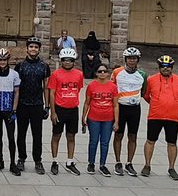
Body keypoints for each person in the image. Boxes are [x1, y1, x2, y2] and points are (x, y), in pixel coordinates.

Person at [142, 55, 178, 179]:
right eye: (163, 66)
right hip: (155, 116)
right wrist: (156, 104)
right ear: (159, 67)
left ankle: (171, 168)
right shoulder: (151, 80)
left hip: (173, 117)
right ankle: (147, 165)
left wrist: (173, 103)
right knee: (150, 140)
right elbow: (146, 95)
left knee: (172, 143)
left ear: (172, 67)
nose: (165, 69)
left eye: (168, 67)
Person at [15, 37, 50, 174]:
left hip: (37, 104)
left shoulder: (44, 66)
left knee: (37, 135)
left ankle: (38, 160)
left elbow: (46, 87)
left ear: (39, 49)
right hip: (22, 104)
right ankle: (21, 159)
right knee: (21, 134)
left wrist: (47, 106)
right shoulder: (20, 66)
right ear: (27, 49)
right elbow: (15, 87)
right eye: (31, 47)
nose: (33, 49)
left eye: (36, 47)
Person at [47, 47, 84, 175]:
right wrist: (53, 112)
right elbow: (52, 93)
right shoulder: (56, 74)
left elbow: (78, 89)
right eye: (65, 60)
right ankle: (55, 161)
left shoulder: (79, 74)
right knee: (56, 135)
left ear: (74, 61)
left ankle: (69, 161)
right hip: (59, 109)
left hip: (73, 109)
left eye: (70, 60)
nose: (67, 62)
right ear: (61, 61)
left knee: (71, 136)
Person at [111, 47, 145, 177]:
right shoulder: (117, 72)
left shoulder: (142, 74)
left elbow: (144, 91)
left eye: (134, 58)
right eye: (129, 58)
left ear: (137, 60)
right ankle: (118, 162)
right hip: (120, 107)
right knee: (118, 135)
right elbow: (112, 89)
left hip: (135, 108)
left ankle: (129, 163)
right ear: (125, 59)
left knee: (132, 136)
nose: (132, 61)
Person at [83, 63, 119, 175]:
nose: (102, 73)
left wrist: (116, 121)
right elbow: (87, 103)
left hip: (108, 118)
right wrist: (83, 117)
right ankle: (91, 163)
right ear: (96, 73)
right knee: (93, 141)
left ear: (108, 73)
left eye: (104, 71)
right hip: (94, 117)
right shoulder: (92, 86)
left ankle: (103, 164)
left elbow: (115, 105)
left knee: (105, 142)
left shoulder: (113, 87)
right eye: (100, 71)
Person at [0, 49, 20, 174]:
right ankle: (0, 161)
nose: (2, 62)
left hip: (9, 109)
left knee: (11, 137)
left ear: (8, 60)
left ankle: (13, 163)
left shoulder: (14, 74)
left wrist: (14, 110)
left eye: (4, 60)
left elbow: (17, 92)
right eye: (0, 60)